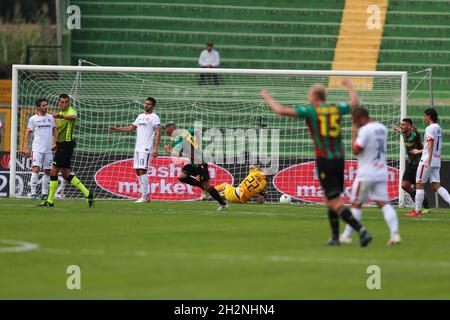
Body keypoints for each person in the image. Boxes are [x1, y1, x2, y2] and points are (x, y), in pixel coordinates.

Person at [260, 79, 372, 247]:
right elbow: (355, 103)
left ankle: (361, 230)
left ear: (314, 96)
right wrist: (349, 87)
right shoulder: (335, 108)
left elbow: (280, 110)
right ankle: (335, 237)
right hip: (339, 158)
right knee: (331, 198)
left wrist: (267, 97)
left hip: (325, 160)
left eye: (309, 95)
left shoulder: (311, 111)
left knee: (333, 201)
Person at [340, 108, 401, 245]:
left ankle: (347, 236)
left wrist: (354, 134)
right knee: (383, 203)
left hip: (366, 173)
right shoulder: (381, 128)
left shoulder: (364, 131)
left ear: (361, 118)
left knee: (356, 204)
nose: (356, 124)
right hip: (381, 171)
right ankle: (395, 234)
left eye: (356, 122)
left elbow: (356, 150)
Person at [39, 93, 94, 207]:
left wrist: (60, 116)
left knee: (53, 171)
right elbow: (58, 132)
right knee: (65, 174)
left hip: (67, 145)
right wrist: (56, 144)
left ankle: (50, 200)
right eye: (62, 102)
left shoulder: (70, 111)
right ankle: (88, 194)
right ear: (59, 102)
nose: (64, 104)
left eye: (66, 102)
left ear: (69, 103)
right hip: (62, 145)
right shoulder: (58, 114)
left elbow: (73, 118)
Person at [163, 122, 228, 211]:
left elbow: (179, 154)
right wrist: (197, 143)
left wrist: (168, 151)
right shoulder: (185, 132)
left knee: (207, 186)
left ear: (172, 129)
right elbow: (197, 131)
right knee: (181, 176)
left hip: (199, 162)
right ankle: (202, 186)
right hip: (192, 161)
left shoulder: (179, 138)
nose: (169, 135)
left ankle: (223, 203)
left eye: (168, 133)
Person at [109, 97, 160, 203]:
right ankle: (143, 195)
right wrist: (116, 129)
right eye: (145, 103)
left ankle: (145, 196)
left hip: (146, 148)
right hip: (138, 148)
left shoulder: (154, 117)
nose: (146, 105)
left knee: (142, 170)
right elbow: (130, 128)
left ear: (153, 106)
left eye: (149, 104)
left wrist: (156, 147)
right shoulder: (140, 116)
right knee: (137, 171)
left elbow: (158, 132)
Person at [406, 108, 450, 216]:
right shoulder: (438, 128)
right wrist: (420, 151)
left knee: (419, 184)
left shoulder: (430, 128)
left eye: (425, 116)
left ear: (429, 116)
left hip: (427, 160)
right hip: (436, 160)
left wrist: (428, 159)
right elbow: (432, 145)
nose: (424, 118)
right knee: (436, 186)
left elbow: (430, 143)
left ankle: (417, 211)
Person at [391, 119, 430, 213]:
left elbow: (419, 137)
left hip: (419, 164)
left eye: (403, 125)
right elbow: (400, 131)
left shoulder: (414, 134)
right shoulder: (404, 133)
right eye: (401, 124)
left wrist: (415, 131)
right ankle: (422, 198)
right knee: (404, 185)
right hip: (411, 164)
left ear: (409, 126)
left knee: (418, 186)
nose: (401, 126)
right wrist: (396, 128)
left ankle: (425, 206)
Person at [24, 98, 57, 200]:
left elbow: (54, 131)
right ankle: (33, 193)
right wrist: (26, 148)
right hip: (37, 149)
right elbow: (28, 133)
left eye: (46, 105)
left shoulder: (51, 117)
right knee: (36, 169)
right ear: (38, 107)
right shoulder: (33, 119)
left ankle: (44, 193)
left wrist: (58, 142)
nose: (45, 107)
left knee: (48, 171)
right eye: (43, 105)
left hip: (48, 149)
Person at [203, 165, 268, 204]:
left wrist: (256, 168)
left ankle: (207, 192)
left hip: (234, 195)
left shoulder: (255, 172)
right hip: (241, 201)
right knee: (226, 195)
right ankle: (218, 196)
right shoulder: (264, 185)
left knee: (224, 185)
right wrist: (262, 197)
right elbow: (260, 198)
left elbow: (251, 166)